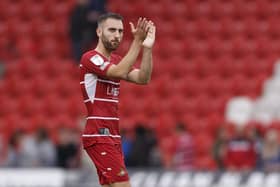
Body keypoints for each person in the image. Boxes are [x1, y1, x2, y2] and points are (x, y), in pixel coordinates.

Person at [79, 12, 156, 187]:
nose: (117, 35)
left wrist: (147, 47)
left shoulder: (116, 60)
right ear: (99, 32)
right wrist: (136, 41)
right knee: (123, 185)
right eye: (112, 30)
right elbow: (118, 72)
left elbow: (143, 78)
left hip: (113, 135)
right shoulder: (90, 57)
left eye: (120, 31)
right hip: (99, 134)